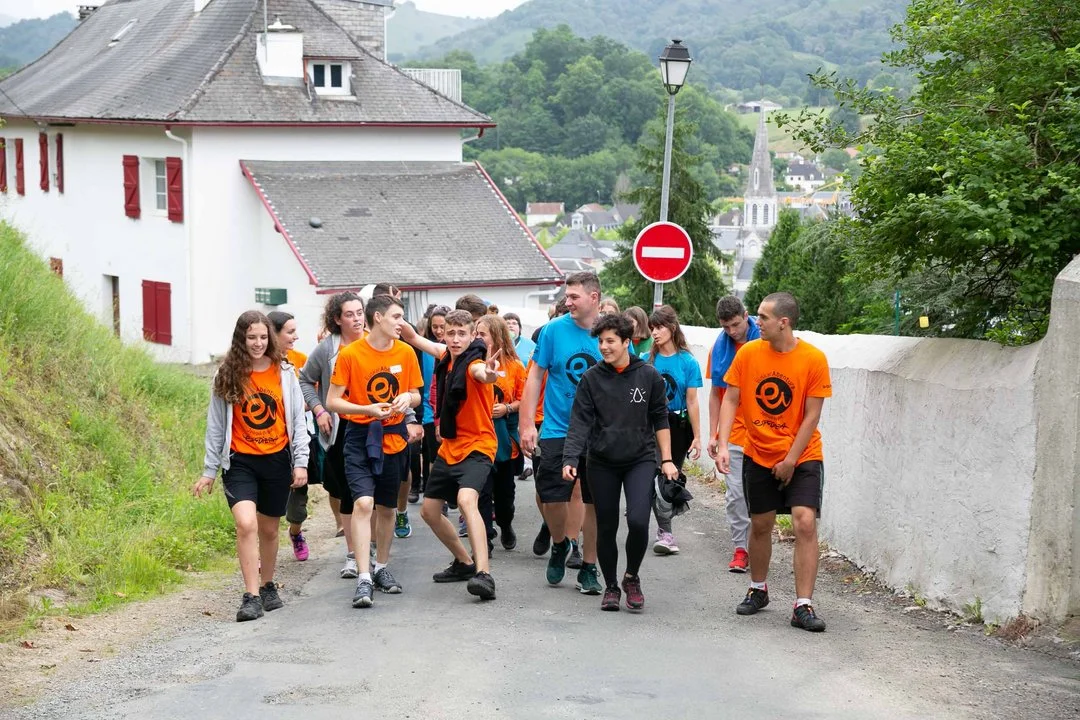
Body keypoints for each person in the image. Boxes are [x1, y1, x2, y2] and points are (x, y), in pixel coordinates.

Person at [715, 293, 832, 632]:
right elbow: (730, 399)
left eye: (763, 317)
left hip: (803, 453)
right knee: (761, 524)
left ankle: (803, 605)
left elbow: (812, 415)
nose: (757, 322)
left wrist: (791, 460)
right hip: (758, 452)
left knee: (804, 522)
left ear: (784, 322)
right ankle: (758, 588)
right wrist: (723, 444)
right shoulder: (749, 354)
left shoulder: (813, 359)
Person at [193, 311, 309, 622]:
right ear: (241, 339)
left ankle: (268, 585)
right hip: (240, 461)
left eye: (262, 337)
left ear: (270, 338)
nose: (257, 343)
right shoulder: (228, 374)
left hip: (276, 460)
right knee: (246, 524)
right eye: (251, 337)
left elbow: (297, 421)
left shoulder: (285, 372)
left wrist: (301, 462)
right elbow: (216, 426)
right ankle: (251, 595)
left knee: (269, 529)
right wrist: (209, 471)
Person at [563, 313, 678, 611]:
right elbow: (580, 421)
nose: (604, 347)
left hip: (640, 459)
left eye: (610, 341)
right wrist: (570, 457)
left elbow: (660, 418)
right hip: (601, 461)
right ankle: (612, 586)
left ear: (627, 342)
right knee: (606, 525)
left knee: (638, 521)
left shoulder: (648, 375)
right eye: (601, 341)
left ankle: (631, 577)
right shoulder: (591, 378)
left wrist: (666, 459)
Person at [326, 294, 422, 608]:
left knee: (387, 508)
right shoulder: (351, 354)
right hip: (359, 437)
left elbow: (416, 393)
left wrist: (408, 399)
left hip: (394, 438)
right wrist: (366, 410)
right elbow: (332, 401)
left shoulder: (406, 352)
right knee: (363, 503)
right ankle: (364, 576)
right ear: (378, 317)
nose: (401, 323)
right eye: (396, 317)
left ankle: (381, 567)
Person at [405, 310, 502, 600]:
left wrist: (490, 374)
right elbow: (416, 339)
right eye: (451, 333)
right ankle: (464, 562)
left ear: (473, 335)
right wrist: (397, 324)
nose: (456, 339)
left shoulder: (473, 363)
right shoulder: (447, 356)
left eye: (462, 334)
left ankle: (484, 574)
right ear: (444, 335)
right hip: (450, 447)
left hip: (478, 445)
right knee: (429, 511)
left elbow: (482, 374)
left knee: (465, 500)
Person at [519, 271, 603, 596]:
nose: (567, 302)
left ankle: (589, 567)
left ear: (593, 298)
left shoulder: (609, 332)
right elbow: (535, 377)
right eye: (566, 296)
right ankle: (560, 543)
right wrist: (527, 424)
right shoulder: (553, 331)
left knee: (590, 499)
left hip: (598, 431)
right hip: (557, 428)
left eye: (573, 297)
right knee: (552, 495)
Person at [299, 293, 367, 580]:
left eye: (360, 312)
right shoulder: (328, 348)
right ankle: (353, 554)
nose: (357, 319)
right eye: (349, 314)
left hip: (374, 426)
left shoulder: (374, 342)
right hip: (340, 429)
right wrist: (319, 410)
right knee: (348, 493)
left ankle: (373, 550)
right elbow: (305, 380)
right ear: (337, 319)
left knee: (372, 494)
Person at [706, 296, 760, 573]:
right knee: (736, 495)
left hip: (763, 432)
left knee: (758, 497)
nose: (732, 331)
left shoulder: (765, 344)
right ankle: (740, 548)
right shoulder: (719, 349)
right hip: (735, 433)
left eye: (736, 325)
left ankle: (758, 547)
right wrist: (714, 434)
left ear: (746, 315)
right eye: (726, 327)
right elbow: (717, 394)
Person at [646, 305, 703, 556]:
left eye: (659, 327)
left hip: (678, 426)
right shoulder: (647, 361)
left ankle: (665, 526)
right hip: (650, 426)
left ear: (672, 328)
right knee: (654, 476)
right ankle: (665, 533)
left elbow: (692, 401)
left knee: (669, 479)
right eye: (652, 328)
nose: (655, 333)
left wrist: (697, 436)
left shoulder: (688, 362)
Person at [266, 311, 320, 563]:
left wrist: (298, 407)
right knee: (263, 501)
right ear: (274, 334)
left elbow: (311, 396)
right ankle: (262, 547)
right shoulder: (260, 365)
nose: (296, 336)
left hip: (297, 437)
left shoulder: (300, 361)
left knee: (298, 501)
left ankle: (296, 532)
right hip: (265, 442)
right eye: (290, 332)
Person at [476, 314, 526, 550]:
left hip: (504, 440)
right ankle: (485, 538)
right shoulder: (472, 363)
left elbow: (523, 399)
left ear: (496, 336)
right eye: (476, 333)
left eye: (482, 334)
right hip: (478, 439)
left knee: (505, 495)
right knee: (482, 492)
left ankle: (505, 524)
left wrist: (506, 408)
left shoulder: (515, 366)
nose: (478, 338)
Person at [411, 305, 449, 504]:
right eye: (435, 327)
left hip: (450, 408)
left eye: (443, 326)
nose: (439, 331)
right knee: (432, 453)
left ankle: (448, 491)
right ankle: (436, 497)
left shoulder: (455, 349)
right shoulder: (425, 349)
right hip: (428, 407)